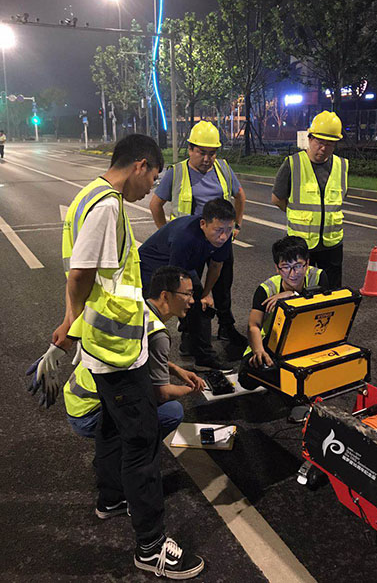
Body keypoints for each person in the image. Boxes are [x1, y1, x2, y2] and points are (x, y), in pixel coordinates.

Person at [35, 134, 204, 579]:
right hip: (115, 352)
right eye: (154, 178)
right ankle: (151, 547)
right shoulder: (108, 205)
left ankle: (110, 499)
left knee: (112, 431)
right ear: (140, 165)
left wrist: (73, 322)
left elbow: (84, 275)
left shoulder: (87, 196)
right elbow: (81, 273)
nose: (151, 190)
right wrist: (70, 323)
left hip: (104, 346)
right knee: (142, 442)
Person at [64, 266, 206, 441]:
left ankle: (117, 445)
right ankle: (133, 446)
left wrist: (176, 370)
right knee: (172, 411)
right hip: (92, 415)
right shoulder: (158, 335)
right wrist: (190, 389)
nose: (192, 301)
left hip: (77, 403)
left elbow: (138, 357)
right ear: (165, 296)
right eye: (187, 294)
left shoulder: (135, 310)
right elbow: (161, 393)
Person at [150, 120, 246, 346]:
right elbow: (155, 205)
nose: (207, 159)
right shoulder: (177, 172)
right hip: (190, 244)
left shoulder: (223, 169)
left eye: (212, 153)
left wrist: (237, 226)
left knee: (223, 286)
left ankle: (226, 326)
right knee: (188, 290)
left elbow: (240, 196)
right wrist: (168, 234)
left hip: (219, 240)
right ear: (190, 149)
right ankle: (189, 334)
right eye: (202, 152)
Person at [139, 198, 236, 374]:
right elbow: (175, 279)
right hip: (151, 268)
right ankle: (142, 358)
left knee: (200, 305)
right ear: (203, 224)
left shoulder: (224, 236)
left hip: (182, 266)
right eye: (218, 230)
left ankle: (198, 353)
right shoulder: (185, 237)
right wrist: (188, 301)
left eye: (229, 230)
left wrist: (205, 294)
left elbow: (216, 266)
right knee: (153, 311)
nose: (223, 236)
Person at [238, 235, 328, 422]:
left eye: (298, 266)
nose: (292, 273)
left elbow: (326, 305)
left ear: (307, 263)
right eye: (285, 267)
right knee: (248, 377)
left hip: (307, 340)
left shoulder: (318, 276)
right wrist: (259, 351)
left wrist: (292, 294)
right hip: (273, 343)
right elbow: (253, 325)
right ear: (277, 267)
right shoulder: (266, 289)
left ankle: (298, 398)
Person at [271, 111, 348, 289]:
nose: (324, 148)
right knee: (302, 292)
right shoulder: (293, 164)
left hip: (332, 243)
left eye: (330, 144)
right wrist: (297, 212)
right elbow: (277, 199)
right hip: (301, 245)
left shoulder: (341, 165)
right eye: (320, 142)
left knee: (332, 291)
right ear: (310, 138)